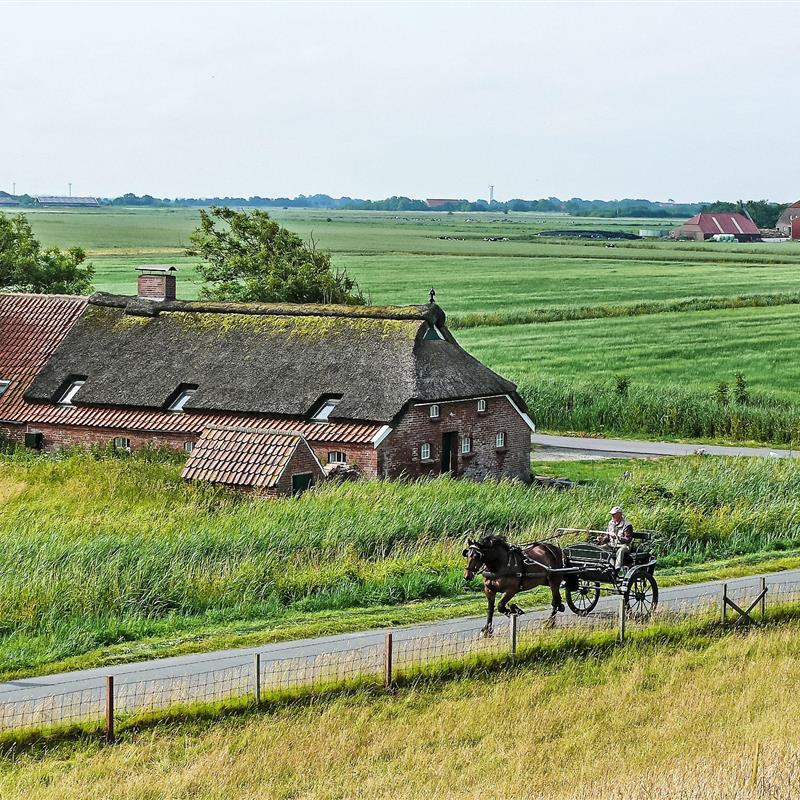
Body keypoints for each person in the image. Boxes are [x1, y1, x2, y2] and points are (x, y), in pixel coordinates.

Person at [597, 505, 633, 575]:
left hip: (624, 546)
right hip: (612, 545)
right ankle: (605, 566)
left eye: (614, 514)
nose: (612, 516)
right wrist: (602, 539)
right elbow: (607, 537)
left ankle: (617, 569)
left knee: (621, 550)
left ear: (620, 514)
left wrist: (617, 537)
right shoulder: (610, 523)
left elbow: (628, 539)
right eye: (612, 514)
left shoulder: (627, 525)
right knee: (600, 548)